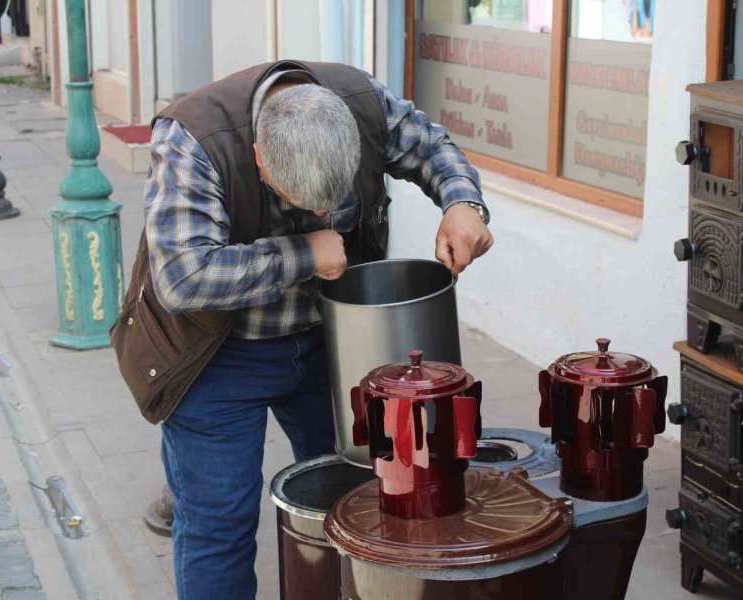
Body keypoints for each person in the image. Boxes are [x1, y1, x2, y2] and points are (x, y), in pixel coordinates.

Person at [111, 60, 493, 600]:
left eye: (332, 204)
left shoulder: (361, 104)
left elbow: (432, 147)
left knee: (359, 496)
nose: (321, 214)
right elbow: (182, 278)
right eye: (302, 203)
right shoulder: (193, 138)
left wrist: (463, 200)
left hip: (329, 344)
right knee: (218, 525)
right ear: (260, 159)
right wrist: (302, 254)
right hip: (216, 356)